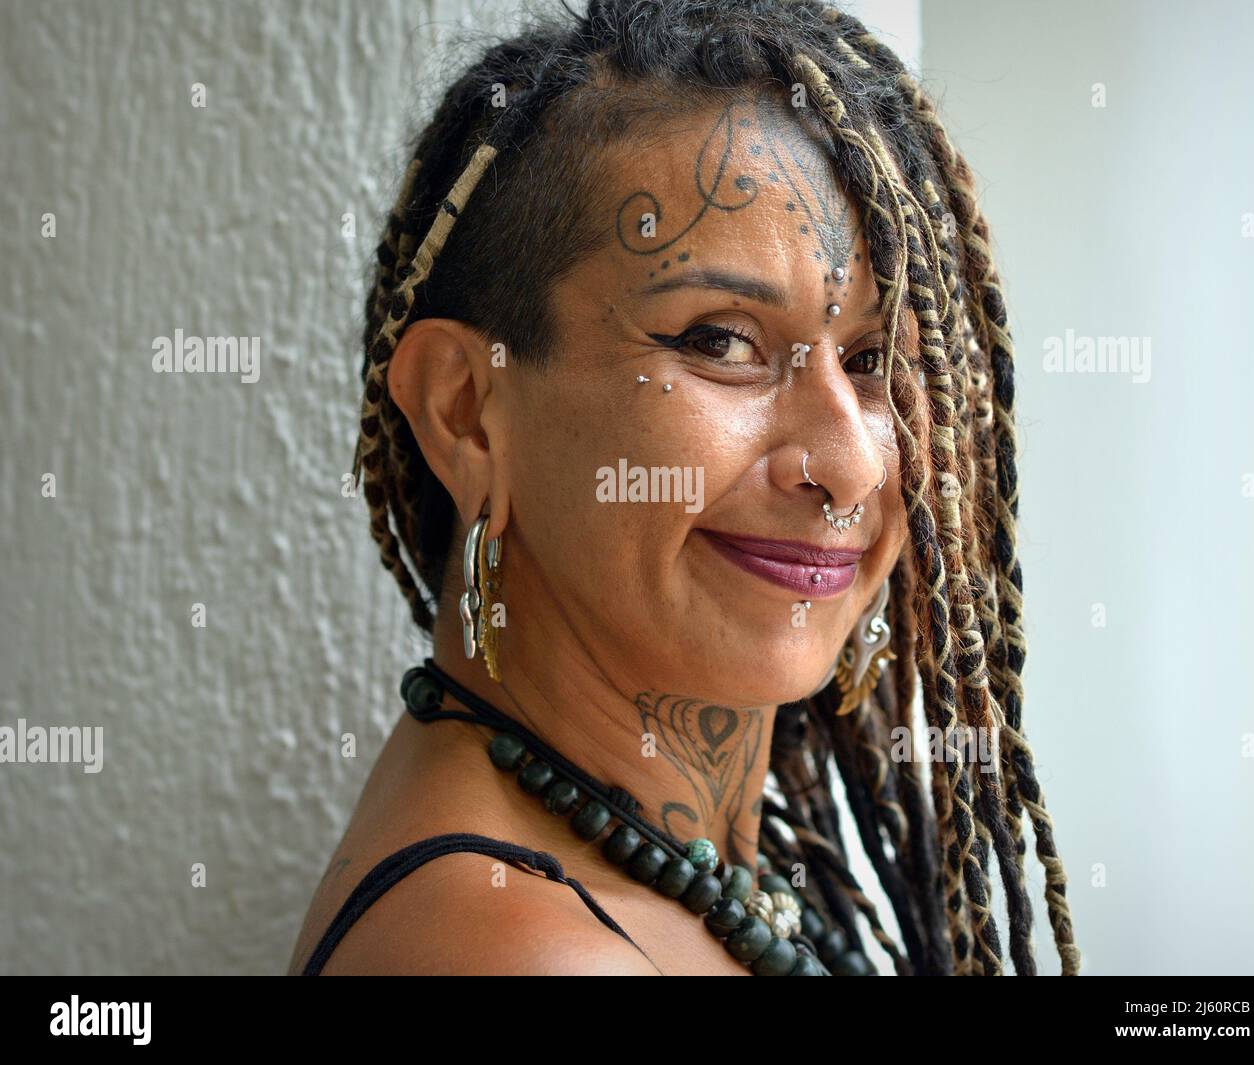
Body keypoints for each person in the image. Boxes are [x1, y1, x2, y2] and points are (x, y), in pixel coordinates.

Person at [288, 0, 1081, 976]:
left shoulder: (662, 871)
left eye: (875, 356)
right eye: (720, 341)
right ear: (464, 410)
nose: (849, 464)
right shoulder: (527, 957)